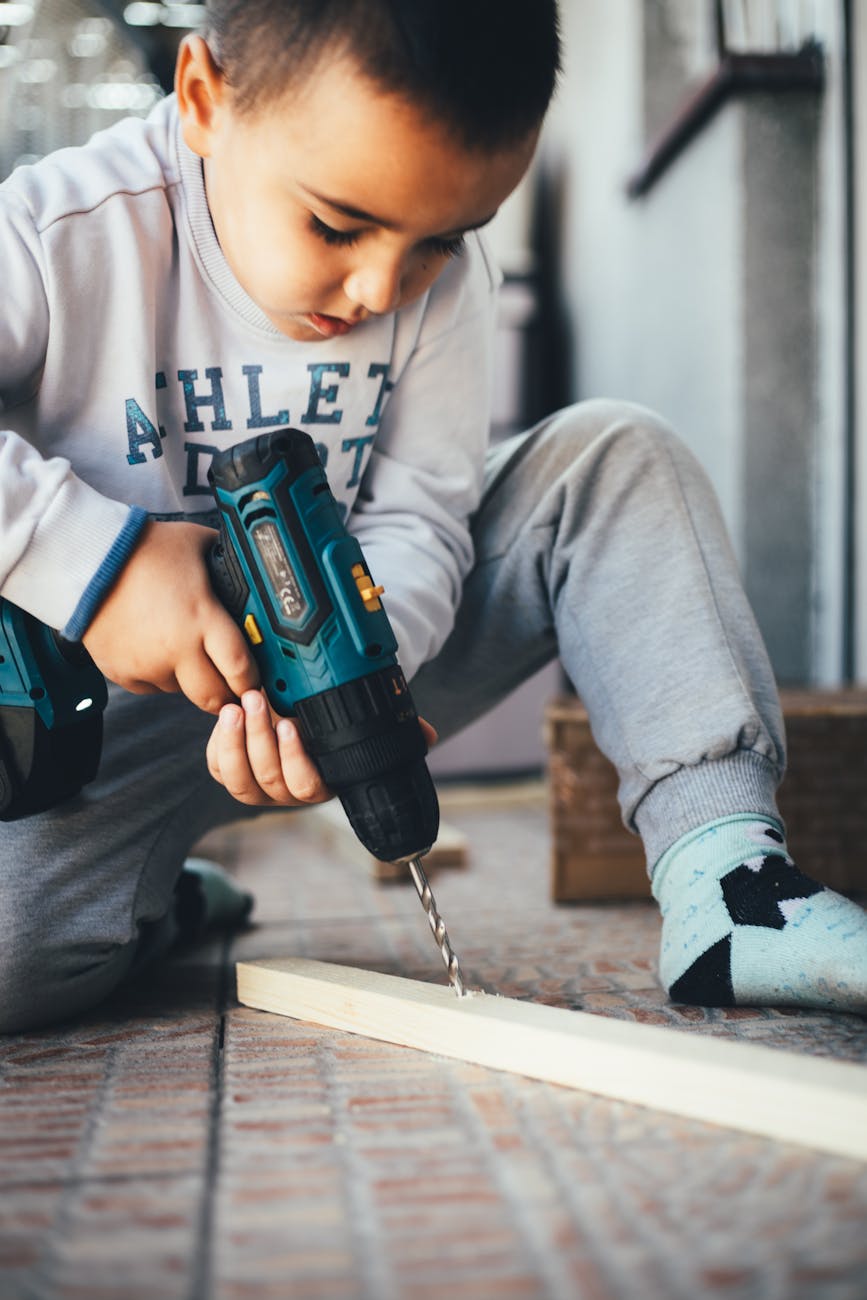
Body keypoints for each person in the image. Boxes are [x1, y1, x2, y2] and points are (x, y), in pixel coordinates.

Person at [0, 0, 863, 1034]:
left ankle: (729, 878)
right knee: (14, 958)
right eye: (336, 223)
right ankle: (158, 903)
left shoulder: (440, 292)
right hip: (94, 720)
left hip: (347, 667)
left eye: (441, 242)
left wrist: (367, 673)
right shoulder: (59, 232)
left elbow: (422, 521)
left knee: (610, 462)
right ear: (203, 100)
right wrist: (90, 563)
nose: (381, 286)